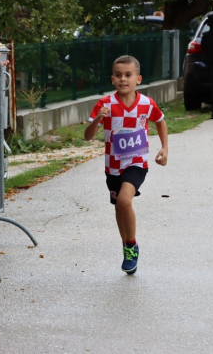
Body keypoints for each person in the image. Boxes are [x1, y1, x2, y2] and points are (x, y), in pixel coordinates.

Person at [84, 55, 168, 275]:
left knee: (124, 200)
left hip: (137, 163)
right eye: (119, 76)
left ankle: (131, 246)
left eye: (128, 75)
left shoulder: (146, 104)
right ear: (112, 79)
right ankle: (126, 245)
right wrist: (96, 120)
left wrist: (164, 148)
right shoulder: (105, 104)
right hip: (112, 166)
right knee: (119, 208)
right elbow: (87, 136)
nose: (123, 80)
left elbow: (160, 121)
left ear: (138, 79)